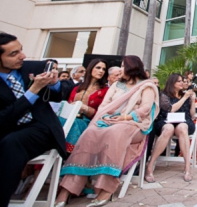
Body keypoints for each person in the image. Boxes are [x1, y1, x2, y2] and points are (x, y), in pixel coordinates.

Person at [0, 33, 64, 207]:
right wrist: (33, 90)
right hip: (2, 129)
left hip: (38, 127)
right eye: (13, 54)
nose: (23, 56)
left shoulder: (34, 68)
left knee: (11, 143)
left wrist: (53, 84)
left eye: (20, 50)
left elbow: (58, 96)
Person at [54, 55, 158, 207]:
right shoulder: (116, 85)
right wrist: (108, 117)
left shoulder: (146, 86)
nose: (120, 69)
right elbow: (105, 105)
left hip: (134, 123)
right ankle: (67, 188)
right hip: (110, 120)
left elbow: (146, 108)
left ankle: (106, 188)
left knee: (115, 133)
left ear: (132, 67)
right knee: (89, 134)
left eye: (122, 66)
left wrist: (125, 117)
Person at [146, 73, 196, 183]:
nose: (182, 83)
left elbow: (192, 115)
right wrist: (185, 97)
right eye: (179, 81)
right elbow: (171, 109)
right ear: (172, 83)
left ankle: (187, 167)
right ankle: (150, 166)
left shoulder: (186, 94)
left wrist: (192, 101)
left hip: (184, 121)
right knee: (168, 128)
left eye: (183, 81)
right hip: (166, 120)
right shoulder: (164, 95)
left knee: (183, 127)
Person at [64, 58, 109, 152]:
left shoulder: (105, 90)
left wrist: (85, 108)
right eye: (98, 68)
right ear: (91, 68)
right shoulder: (77, 87)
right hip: (70, 118)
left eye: (104, 69)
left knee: (74, 124)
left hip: (89, 122)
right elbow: (68, 105)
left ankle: (69, 155)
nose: (101, 71)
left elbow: (103, 113)